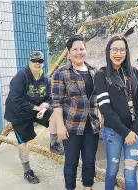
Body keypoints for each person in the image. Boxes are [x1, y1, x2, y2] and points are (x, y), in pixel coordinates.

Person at [94, 36, 138, 190]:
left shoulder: (135, 73)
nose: (118, 53)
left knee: (130, 173)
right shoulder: (101, 75)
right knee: (112, 170)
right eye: (114, 49)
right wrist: (125, 132)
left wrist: (134, 130)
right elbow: (106, 109)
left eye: (122, 49)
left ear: (127, 52)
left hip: (135, 132)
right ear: (108, 52)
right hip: (113, 132)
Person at [4, 51, 63, 184]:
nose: (37, 63)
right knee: (24, 142)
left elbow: (49, 98)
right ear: (29, 62)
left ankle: (53, 143)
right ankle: (27, 171)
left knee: (55, 113)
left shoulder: (46, 79)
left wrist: (45, 106)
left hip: (36, 109)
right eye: (34, 60)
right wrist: (39, 108)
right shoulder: (21, 77)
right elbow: (15, 100)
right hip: (18, 113)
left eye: (40, 61)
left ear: (43, 63)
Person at [52, 35, 100, 190]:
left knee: (89, 160)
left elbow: (99, 97)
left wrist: (101, 115)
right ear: (69, 53)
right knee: (71, 162)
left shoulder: (94, 71)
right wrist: (60, 126)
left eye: (82, 48)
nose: (79, 52)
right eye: (75, 49)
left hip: (91, 125)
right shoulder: (62, 73)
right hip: (71, 126)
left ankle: (88, 187)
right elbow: (57, 102)